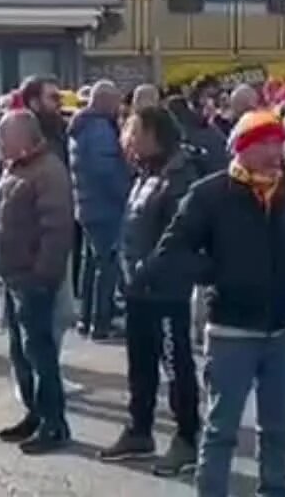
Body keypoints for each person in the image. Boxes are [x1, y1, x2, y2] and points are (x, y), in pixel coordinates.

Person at [140, 110, 285, 497]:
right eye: (263, 144)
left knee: (276, 428)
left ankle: (274, 490)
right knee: (222, 428)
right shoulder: (210, 194)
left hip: (282, 327)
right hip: (230, 329)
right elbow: (170, 253)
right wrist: (218, 273)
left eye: (277, 142)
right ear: (241, 149)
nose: (273, 152)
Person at [102, 105, 204, 475]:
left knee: (176, 364)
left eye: (133, 130)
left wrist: (148, 270)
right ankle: (139, 430)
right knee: (140, 363)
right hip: (138, 288)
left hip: (166, 290)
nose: (127, 138)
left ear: (154, 134)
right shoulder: (146, 172)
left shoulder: (179, 175)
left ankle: (188, 437)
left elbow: (178, 236)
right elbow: (134, 224)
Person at [0, 109, 77, 455]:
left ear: (25, 137)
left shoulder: (48, 171)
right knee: (21, 353)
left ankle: (54, 422)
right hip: (12, 275)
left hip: (32, 279)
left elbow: (57, 230)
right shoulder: (16, 168)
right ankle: (35, 414)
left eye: (3, 136)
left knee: (39, 353)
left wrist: (41, 275)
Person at [69, 81, 132, 341]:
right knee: (107, 264)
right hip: (104, 205)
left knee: (91, 262)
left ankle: (86, 318)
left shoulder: (80, 126)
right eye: (115, 101)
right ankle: (101, 322)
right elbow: (106, 170)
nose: (119, 106)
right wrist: (127, 195)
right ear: (105, 101)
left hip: (86, 203)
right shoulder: (100, 130)